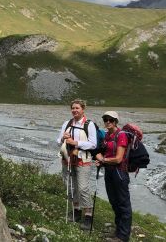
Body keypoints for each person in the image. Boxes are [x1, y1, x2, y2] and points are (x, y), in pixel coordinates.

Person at [57, 99, 97, 230]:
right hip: (67, 160)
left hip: (83, 161)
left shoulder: (89, 124)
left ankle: (88, 216)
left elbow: (93, 144)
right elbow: (58, 141)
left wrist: (76, 143)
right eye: (73, 108)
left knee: (83, 188)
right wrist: (63, 138)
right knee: (70, 187)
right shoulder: (66, 123)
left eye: (77, 108)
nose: (74, 110)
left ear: (83, 109)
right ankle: (76, 211)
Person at [95, 111, 131, 242]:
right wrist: (102, 161)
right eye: (105, 119)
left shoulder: (121, 135)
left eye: (110, 119)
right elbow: (109, 156)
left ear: (116, 121)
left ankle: (123, 236)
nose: (108, 122)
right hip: (109, 172)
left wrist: (103, 160)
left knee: (123, 204)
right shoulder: (107, 136)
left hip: (120, 173)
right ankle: (118, 231)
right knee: (114, 202)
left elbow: (118, 159)